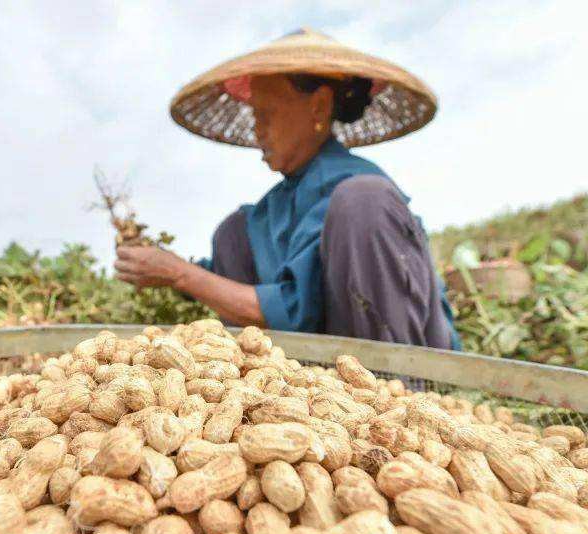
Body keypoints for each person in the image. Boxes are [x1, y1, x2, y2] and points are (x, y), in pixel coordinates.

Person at [114, 29, 461, 349]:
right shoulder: (273, 208)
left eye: (266, 114)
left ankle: (400, 384)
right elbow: (223, 278)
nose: (257, 131)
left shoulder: (357, 192)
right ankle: (263, 384)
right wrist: (163, 264)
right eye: (255, 117)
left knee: (363, 202)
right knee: (233, 232)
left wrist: (179, 274)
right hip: (320, 376)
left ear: (319, 106)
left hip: (399, 370)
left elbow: (293, 307)